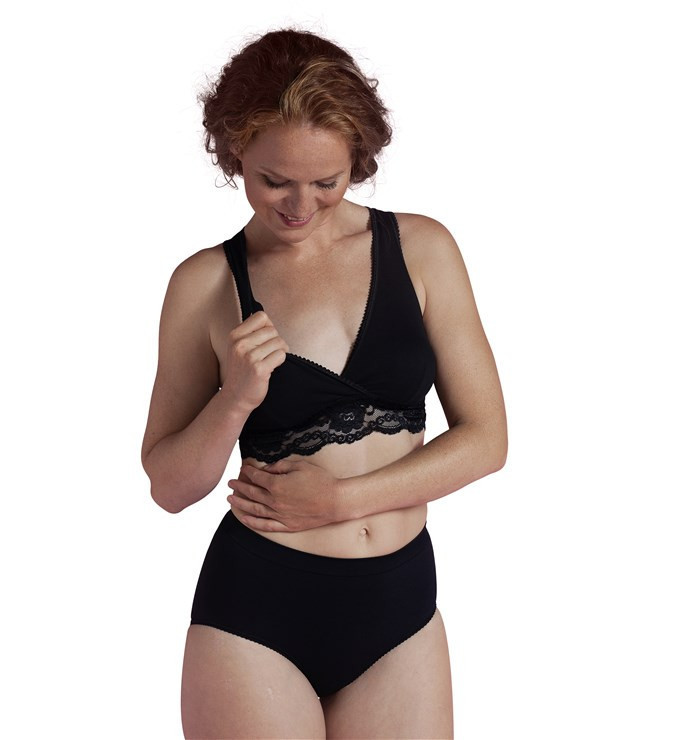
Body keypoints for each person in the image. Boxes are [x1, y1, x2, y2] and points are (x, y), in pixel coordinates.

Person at [141, 26, 507, 739]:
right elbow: (169, 487)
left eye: (327, 183)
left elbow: (487, 440)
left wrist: (340, 499)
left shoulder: (422, 249)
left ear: (357, 160)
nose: (299, 206)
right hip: (257, 615)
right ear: (235, 151)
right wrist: (234, 400)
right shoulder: (204, 285)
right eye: (274, 180)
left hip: (400, 610)